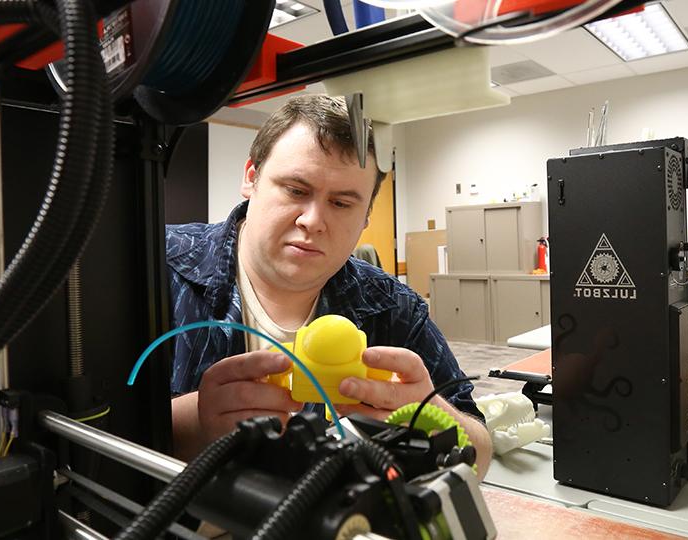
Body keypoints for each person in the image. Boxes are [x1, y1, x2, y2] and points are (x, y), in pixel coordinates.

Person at [166, 94, 492, 476]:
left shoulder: (393, 307)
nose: (313, 220)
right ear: (251, 178)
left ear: (366, 215)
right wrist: (194, 423)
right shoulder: (152, 267)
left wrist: (430, 417)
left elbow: (481, 453)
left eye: (341, 203)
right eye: (296, 190)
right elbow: (84, 438)